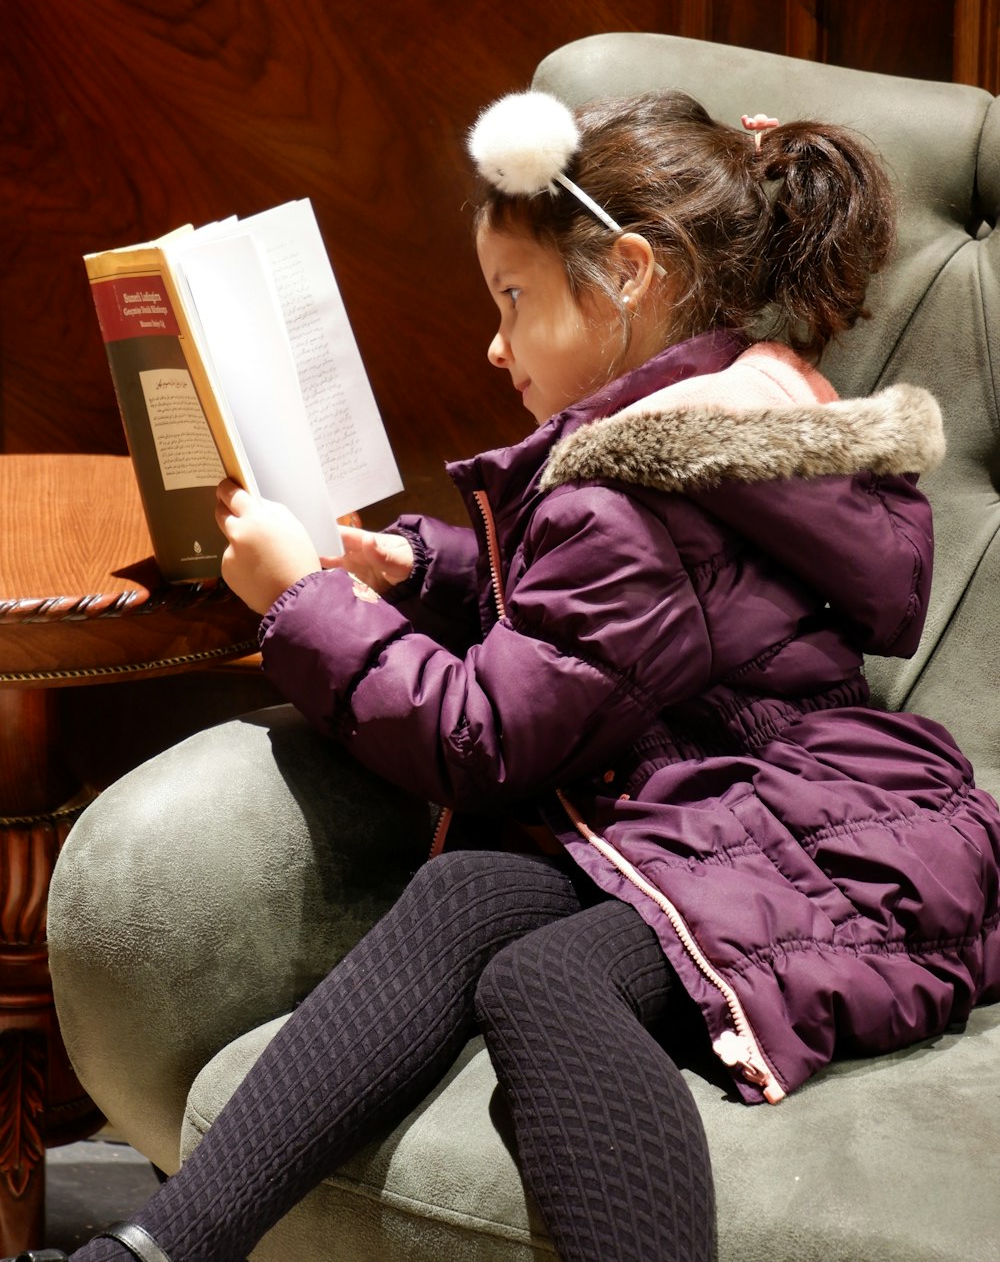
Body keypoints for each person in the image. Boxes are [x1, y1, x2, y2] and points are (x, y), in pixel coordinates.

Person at [20, 88, 1000, 1262]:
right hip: (750, 803)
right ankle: (161, 1250)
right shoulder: (722, 417)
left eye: (514, 297)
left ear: (629, 273)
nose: (492, 342)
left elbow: (483, 740)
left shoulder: (624, 489)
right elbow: (612, 638)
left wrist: (301, 603)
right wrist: (417, 566)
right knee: (464, 898)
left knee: (544, 983)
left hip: (827, 856)